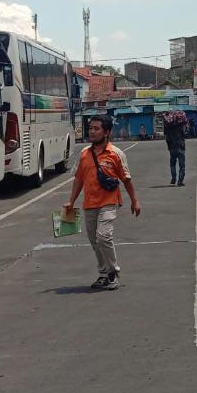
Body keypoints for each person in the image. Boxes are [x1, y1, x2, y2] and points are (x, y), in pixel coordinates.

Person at [65, 115, 141, 289]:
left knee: (103, 236)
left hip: (109, 202)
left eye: (96, 128)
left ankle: (113, 272)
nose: (92, 131)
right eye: (90, 128)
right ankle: (103, 274)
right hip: (90, 203)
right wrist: (71, 201)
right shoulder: (84, 154)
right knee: (94, 240)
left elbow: (126, 180)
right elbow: (78, 180)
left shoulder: (116, 154)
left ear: (106, 132)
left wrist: (134, 202)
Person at [165, 112, 187, 186]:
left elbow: (167, 139)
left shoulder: (168, 128)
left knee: (172, 164)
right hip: (180, 146)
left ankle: (173, 178)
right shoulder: (180, 126)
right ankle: (180, 181)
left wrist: (169, 147)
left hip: (172, 148)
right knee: (182, 165)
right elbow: (184, 134)